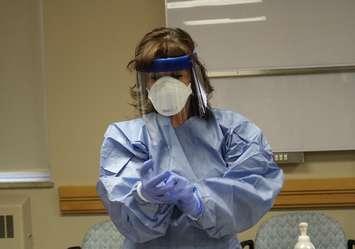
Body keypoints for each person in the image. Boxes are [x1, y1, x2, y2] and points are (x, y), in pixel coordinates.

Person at [97, 27, 284, 249]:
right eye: (155, 78)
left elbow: (252, 189)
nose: (166, 86)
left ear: (193, 78)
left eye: (177, 76)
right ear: (145, 83)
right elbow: (129, 220)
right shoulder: (125, 138)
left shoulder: (233, 131)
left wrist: (198, 201)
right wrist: (144, 197)